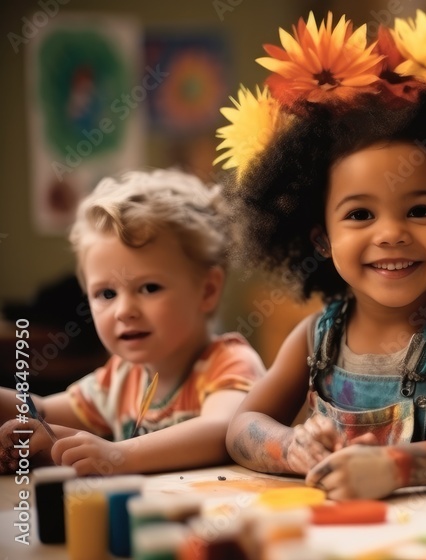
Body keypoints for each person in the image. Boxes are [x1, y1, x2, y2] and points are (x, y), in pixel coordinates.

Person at [220, 10, 426, 500]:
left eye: (419, 210)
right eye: (359, 215)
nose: (391, 234)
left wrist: (397, 467)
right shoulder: (316, 338)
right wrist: (290, 446)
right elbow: (240, 426)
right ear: (322, 240)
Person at [0, 169, 266, 475]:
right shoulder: (121, 378)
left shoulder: (228, 363)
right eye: (106, 293)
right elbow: (41, 411)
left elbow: (222, 430)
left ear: (207, 290)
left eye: (149, 288)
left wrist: (120, 455)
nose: (124, 310)